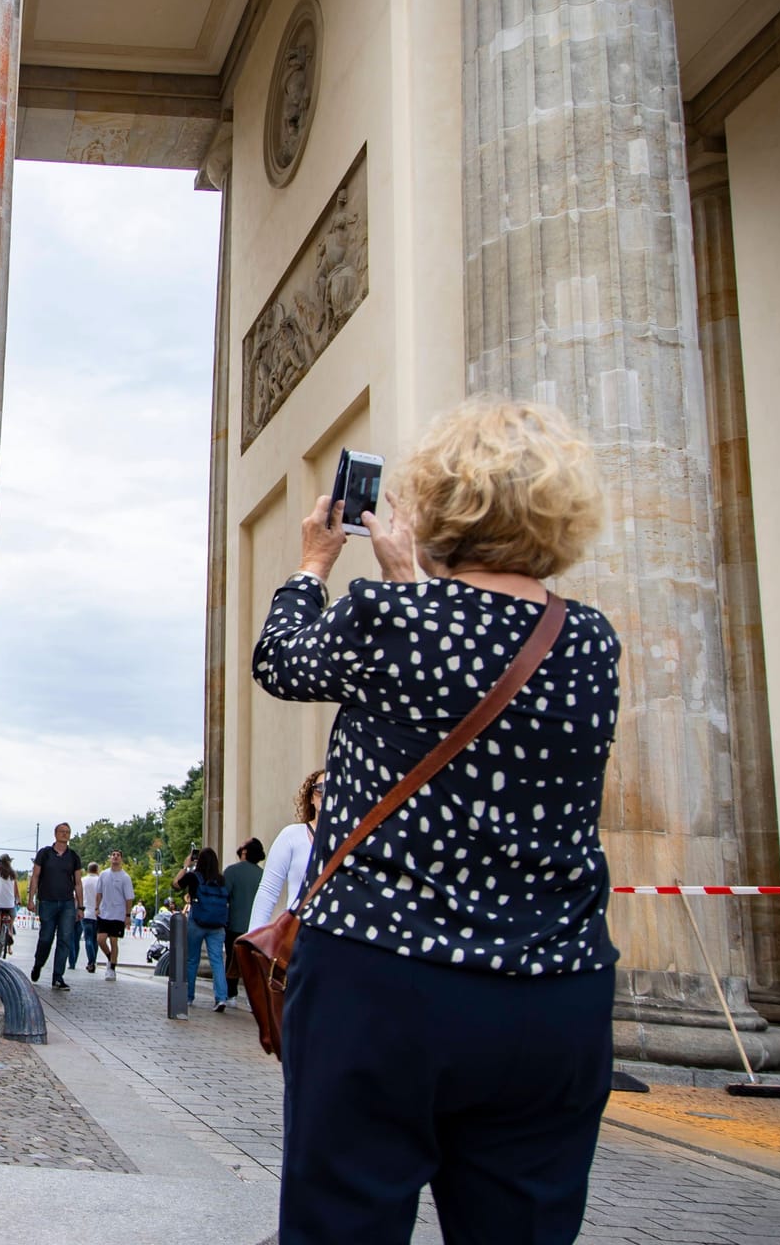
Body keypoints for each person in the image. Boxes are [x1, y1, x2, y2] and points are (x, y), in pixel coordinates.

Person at [253, 400, 619, 1243]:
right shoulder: (590, 643)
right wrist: (411, 585)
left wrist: (314, 564)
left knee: (343, 1225)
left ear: (440, 504)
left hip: (382, 983)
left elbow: (281, 660)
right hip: (550, 991)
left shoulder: (389, 620)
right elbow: (471, 660)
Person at [248, 770, 323, 932]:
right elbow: (268, 891)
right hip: (299, 933)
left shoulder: (352, 839)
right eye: (320, 788)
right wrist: (253, 938)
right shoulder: (292, 835)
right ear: (311, 797)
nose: (326, 793)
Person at [28, 823, 83, 991]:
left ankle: (58, 977)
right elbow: (35, 877)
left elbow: (78, 883)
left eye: (67, 832)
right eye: (62, 832)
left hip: (67, 903)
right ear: (55, 834)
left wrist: (80, 906)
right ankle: (38, 964)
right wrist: (31, 899)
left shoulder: (73, 857)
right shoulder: (44, 854)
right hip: (47, 902)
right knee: (46, 937)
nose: (64, 835)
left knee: (65, 939)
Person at [183, 848, 230, 1011]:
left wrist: (185, 866)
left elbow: (175, 884)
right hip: (217, 925)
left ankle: (189, 996)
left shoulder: (193, 877)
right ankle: (221, 998)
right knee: (217, 960)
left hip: (197, 922)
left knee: (192, 960)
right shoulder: (221, 880)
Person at [222, 837, 266, 1000]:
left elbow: (224, 895)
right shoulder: (262, 874)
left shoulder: (232, 871)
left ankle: (231, 994)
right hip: (256, 927)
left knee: (232, 961)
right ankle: (252, 997)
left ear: (244, 851)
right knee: (253, 964)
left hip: (234, 923)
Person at [95, 850, 135, 979]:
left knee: (113, 940)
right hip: (104, 912)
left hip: (118, 913)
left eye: (118, 855)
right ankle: (110, 957)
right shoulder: (103, 874)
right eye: (113, 855)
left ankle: (112, 968)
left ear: (121, 859)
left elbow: (129, 897)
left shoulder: (125, 877)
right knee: (100, 939)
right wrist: (97, 907)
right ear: (110, 858)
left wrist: (127, 916)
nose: (115, 857)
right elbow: (99, 892)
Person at [78, 860, 101, 972]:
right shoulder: (100, 881)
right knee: (95, 939)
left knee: (88, 938)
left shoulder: (82, 881)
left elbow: (76, 895)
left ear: (88, 870)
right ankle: (93, 961)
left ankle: (91, 961)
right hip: (98, 913)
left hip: (86, 913)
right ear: (97, 870)